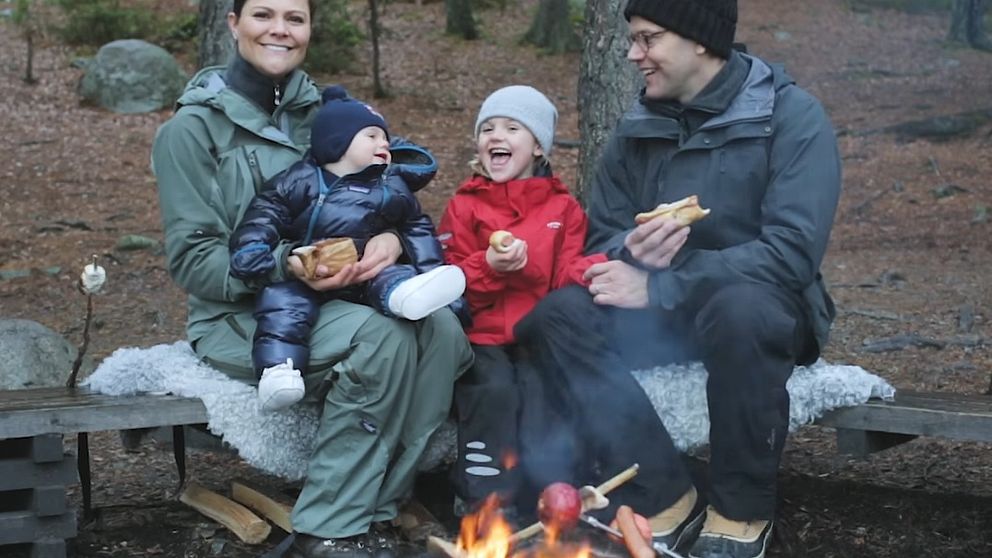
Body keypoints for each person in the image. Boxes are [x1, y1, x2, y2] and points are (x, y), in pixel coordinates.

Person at [512, 0, 842, 557]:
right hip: (662, 314)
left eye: (648, 39)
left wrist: (663, 285)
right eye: (632, 39)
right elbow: (604, 239)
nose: (632, 54)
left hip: (759, 311)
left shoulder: (790, 117)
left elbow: (790, 254)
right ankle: (663, 495)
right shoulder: (639, 125)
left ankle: (741, 514)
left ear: (700, 40)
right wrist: (632, 249)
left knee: (741, 311)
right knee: (556, 318)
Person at [149, 1, 473, 557]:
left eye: (294, 18)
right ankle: (327, 529)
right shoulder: (190, 131)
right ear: (232, 24)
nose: (280, 29)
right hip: (246, 313)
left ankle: (380, 506)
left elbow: (383, 195)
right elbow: (191, 260)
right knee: (384, 339)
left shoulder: (329, 114)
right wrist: (285, 264)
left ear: (309, 30)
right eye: (263, 14)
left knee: (442, 331)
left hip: (345, 296)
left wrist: (391, 241)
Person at [228, 84, 466, 412]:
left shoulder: (389, 186)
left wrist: (429, 268)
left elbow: (417, 227)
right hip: (312, 272)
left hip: (366, 273)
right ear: (337, 141)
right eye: (372, 136)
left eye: (385, 138)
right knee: (281, 304)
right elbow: (266, 213)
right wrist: (251, 250)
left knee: (393, 275)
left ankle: (410, 296)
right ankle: (279, 372)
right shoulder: (301, 180)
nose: (384, 144)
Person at [436, 85, 606, 518]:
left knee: (540, 389)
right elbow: (449, 276)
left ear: (537, 146)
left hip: (535, 333)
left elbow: (568, 271)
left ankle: (544, 496)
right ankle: (483, 496)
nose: (497, 135)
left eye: (513, 127)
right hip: (482, 334)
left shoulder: (563, 208)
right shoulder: (464, 205)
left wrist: (599, 267)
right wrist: (490, 265)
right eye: (488, 128)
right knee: (492, 390)